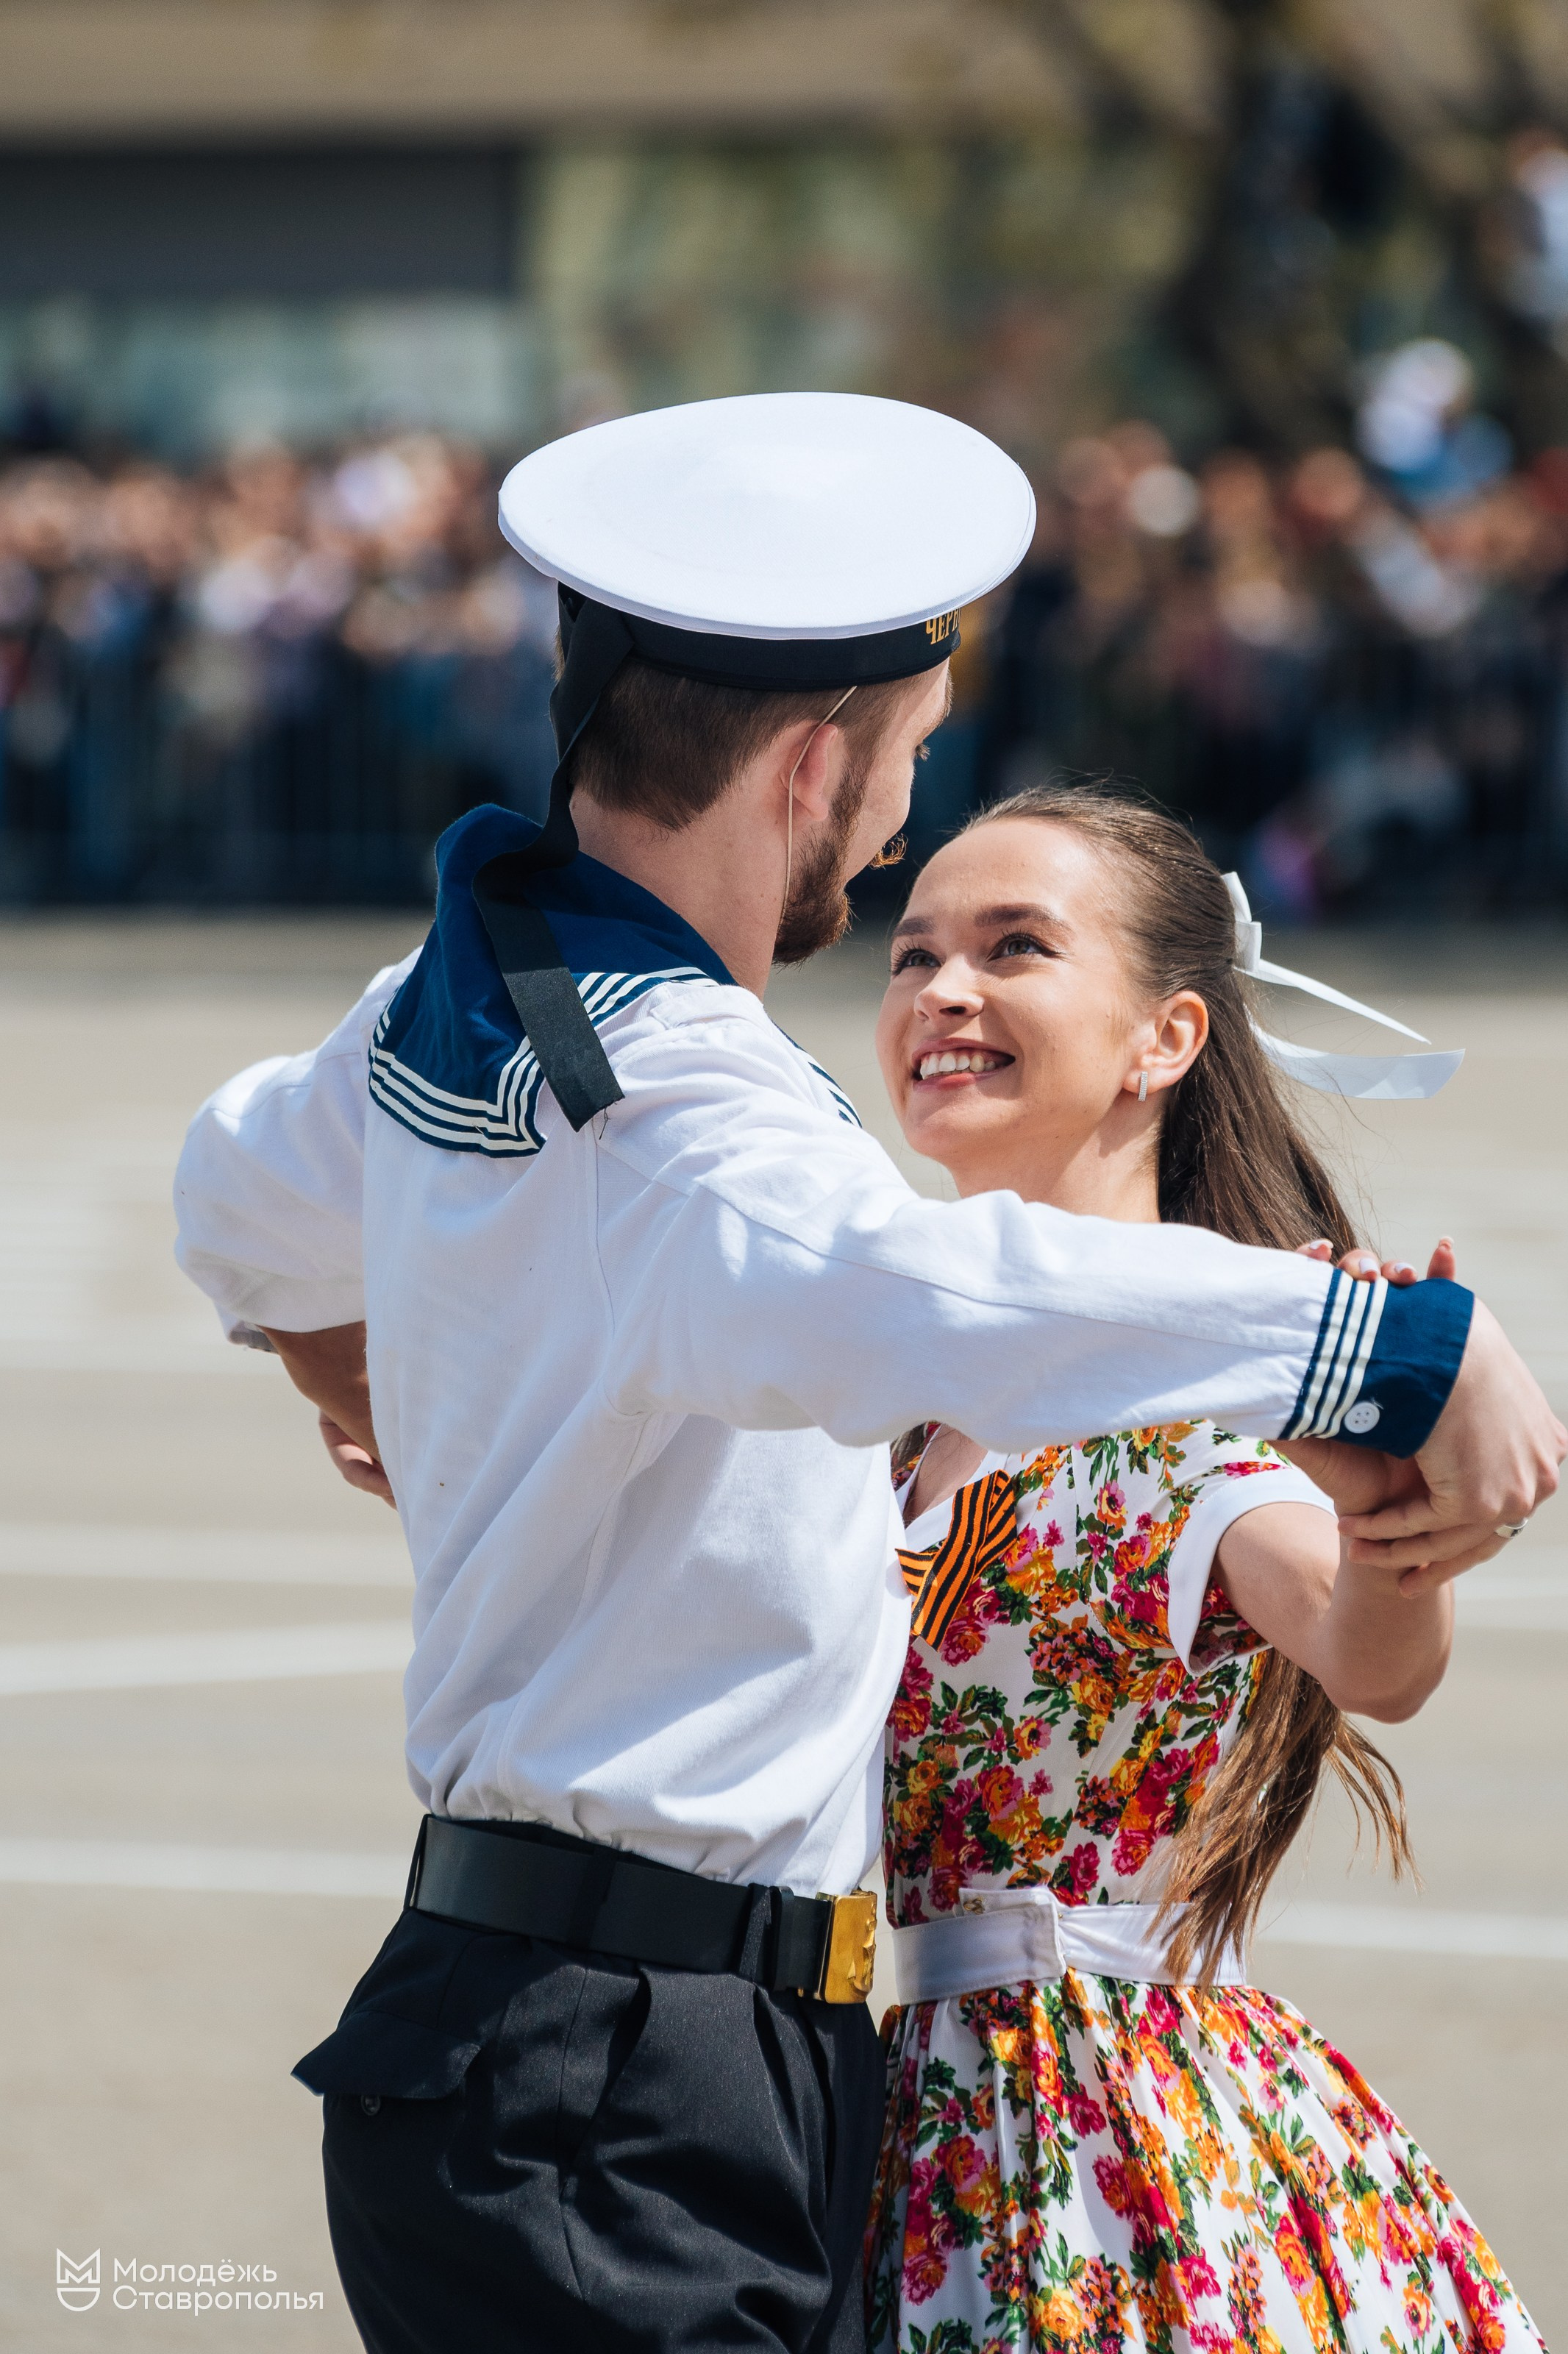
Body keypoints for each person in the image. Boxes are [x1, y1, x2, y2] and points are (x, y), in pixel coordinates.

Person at [171, 394, 1561, 2354]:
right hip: (619, 2072)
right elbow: (923, 1285)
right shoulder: (678, 1105)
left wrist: (390, 1377)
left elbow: (224, 1191)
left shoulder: (447, 1006)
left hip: (623, 2054)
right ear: (810, 763)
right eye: (903, 771)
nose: (899, 833)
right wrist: (1395, 1343)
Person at [865, 782, 1542, 2348]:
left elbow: (1372, 1657)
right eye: (911, 956)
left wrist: (1387, 1528)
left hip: (1091, 2143)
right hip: (883, 2104)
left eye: (1012, 947)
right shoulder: (880, 1400)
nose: (940, 992)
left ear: (1163, 1036)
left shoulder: (1197, 1414)